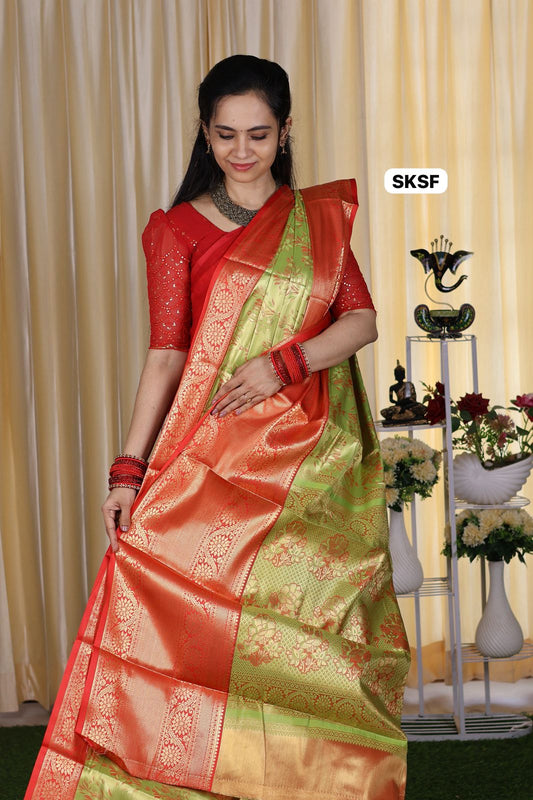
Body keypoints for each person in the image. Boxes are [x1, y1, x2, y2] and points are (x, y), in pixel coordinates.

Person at [26, 55, 410, 800]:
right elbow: (167, 354)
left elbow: (359, 320)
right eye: (226, 134)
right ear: (205, 133)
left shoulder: (315, 221)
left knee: (307, 631)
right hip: (212, 460)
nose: (242, 151)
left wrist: (284, 364)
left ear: (284, 131)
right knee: (194, 628)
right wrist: (128, 470)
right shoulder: (176, 230)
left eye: (258, 135)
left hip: (310, 463)